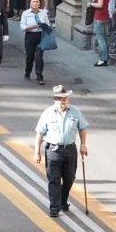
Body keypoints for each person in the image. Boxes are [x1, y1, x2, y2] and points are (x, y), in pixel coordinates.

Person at [32, 85, 88, 217]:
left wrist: (83, 145)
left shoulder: (75, 111)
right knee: (54, 179)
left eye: (65, 99)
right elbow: (39, 134)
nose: (63, 102)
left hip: (70, 150)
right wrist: (37, 152)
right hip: (53, 151)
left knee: (69, 178)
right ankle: (54, 207)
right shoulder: (47, 113)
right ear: (55, 99)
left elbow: (82, 128)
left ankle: (63, 201)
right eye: (60, 99)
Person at [19, 0, 50, 85]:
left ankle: (39, 76)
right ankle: (27, 71)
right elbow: (22, 26)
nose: (35, 3)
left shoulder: (43, 13)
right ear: (30, 3)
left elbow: (48, 25)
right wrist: (31, 27)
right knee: (30, 56)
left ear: (40, 3)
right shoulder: (26, 13)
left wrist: (43, 26)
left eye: (37, 2)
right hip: (30, 35)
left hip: (40, 35)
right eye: (33, 2)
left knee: (39, 56)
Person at [89, 0, 111, 66]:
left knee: (100, 38)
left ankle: (102, 59)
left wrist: (91, 4)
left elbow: (100, 4)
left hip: (99, 16)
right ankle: (106, 56)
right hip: (105, 15)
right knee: (104, 38)